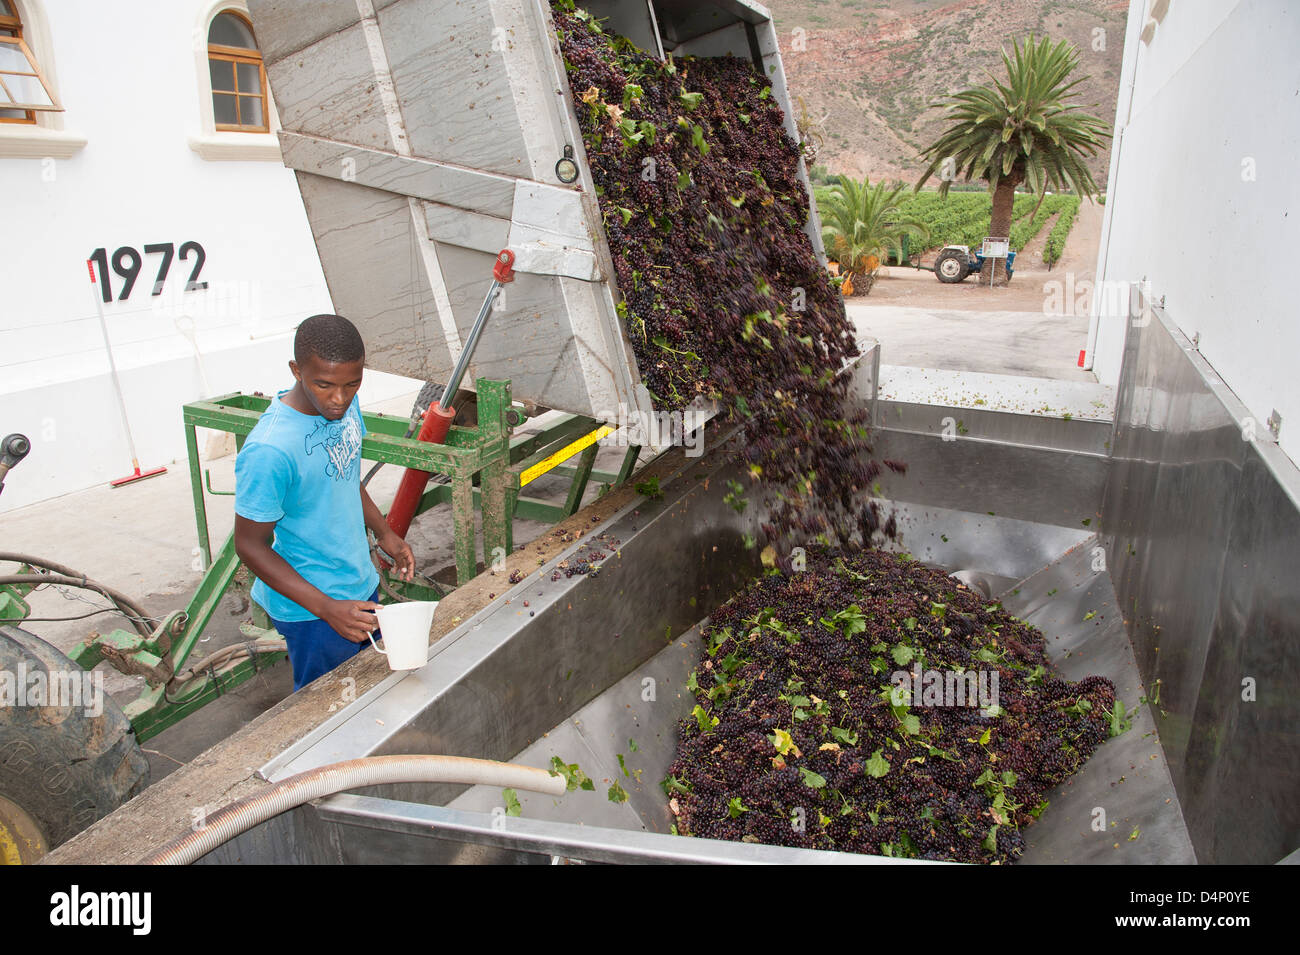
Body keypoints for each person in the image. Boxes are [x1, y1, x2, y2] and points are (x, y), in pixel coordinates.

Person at [233, 314, 415, 691]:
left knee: (372, 693)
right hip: (312, 609)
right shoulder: (270, 450)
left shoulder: (345, 404)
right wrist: (325, 608)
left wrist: (385, 532)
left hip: (357, 583)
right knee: (328, 712)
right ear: (296, 370)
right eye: (325, 385)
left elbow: (345, 475)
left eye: (353, 383)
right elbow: (249, 545)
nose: (340, 398)